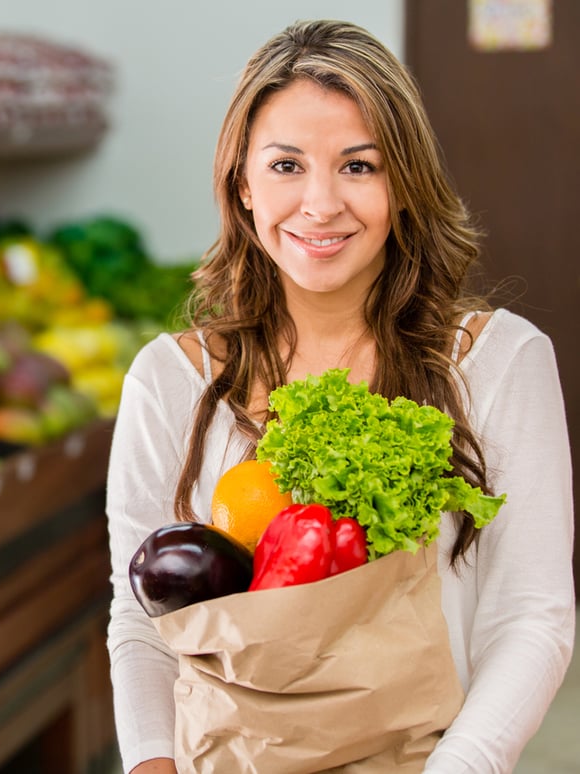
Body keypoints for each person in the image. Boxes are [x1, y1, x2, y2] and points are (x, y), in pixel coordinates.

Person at [105, 18, 575, 774]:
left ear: (404, 185)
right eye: (286, 165)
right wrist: (152, 767)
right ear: (243, 186)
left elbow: (533, 617)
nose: (320, 204)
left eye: (359, 167)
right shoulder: (170, 379)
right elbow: (140, 620)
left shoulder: (498, 362)